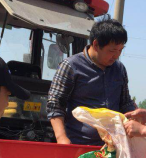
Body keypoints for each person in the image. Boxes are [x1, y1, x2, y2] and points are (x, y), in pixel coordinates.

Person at [47, 18, 136, 146]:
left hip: (112, 145)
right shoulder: (71, 66)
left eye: (120, 50)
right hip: (78, 144)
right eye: (112, 51)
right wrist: (61, 138)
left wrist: (136, 117)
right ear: (96, 44)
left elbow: (125, 103)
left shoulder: (119, 69)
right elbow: (55, 104)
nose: (117, 55)